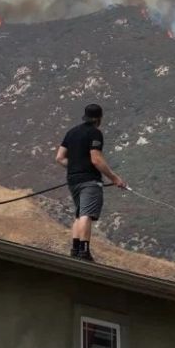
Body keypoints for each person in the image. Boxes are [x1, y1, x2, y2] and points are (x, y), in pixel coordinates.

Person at [55, 104, 126, 261]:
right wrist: (115, 178)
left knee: (80, 214)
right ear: (99, 119)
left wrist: (75, 166)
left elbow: (59, 157)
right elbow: (96, 159)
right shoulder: (95, 133)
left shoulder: (71, 132)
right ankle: (84, 251)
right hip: (89, 180)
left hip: (73, 179)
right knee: (86, 214)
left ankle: (75, 249)